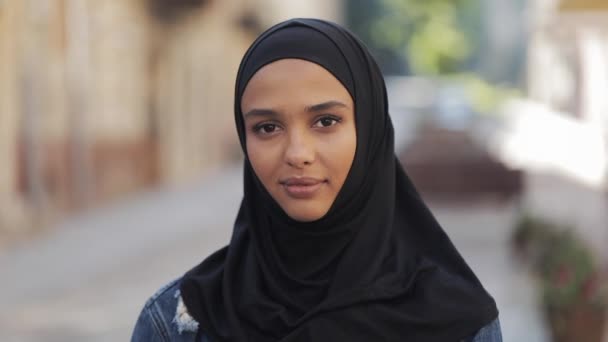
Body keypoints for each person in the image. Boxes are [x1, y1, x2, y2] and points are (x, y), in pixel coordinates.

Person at [131, 18, 502, 342]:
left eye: (325, 121)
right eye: (267, 127)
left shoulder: (457, 323)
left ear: (369, 129)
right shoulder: (179, 322)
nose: (297, 153)